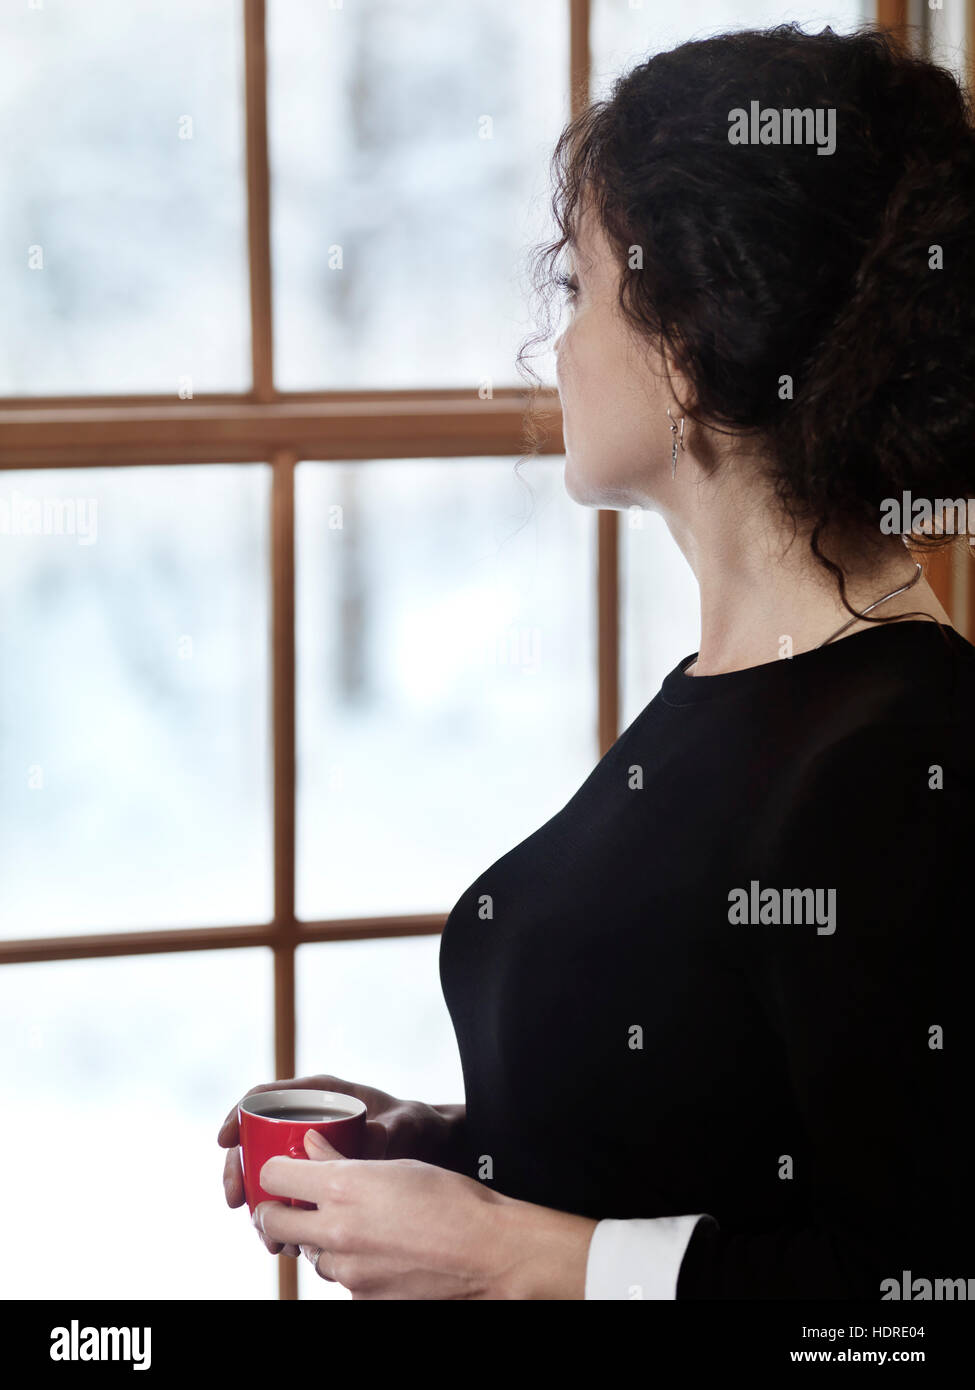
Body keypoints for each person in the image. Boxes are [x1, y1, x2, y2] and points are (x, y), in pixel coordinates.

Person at [218, 23, 975, 1298]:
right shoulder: (729, 698)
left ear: (685, 335)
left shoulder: (910, 756)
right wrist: (456, 1158)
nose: (551, 349)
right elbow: (723, 1134)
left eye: (578, 291)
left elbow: (921, 1299)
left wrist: (527, 1259)